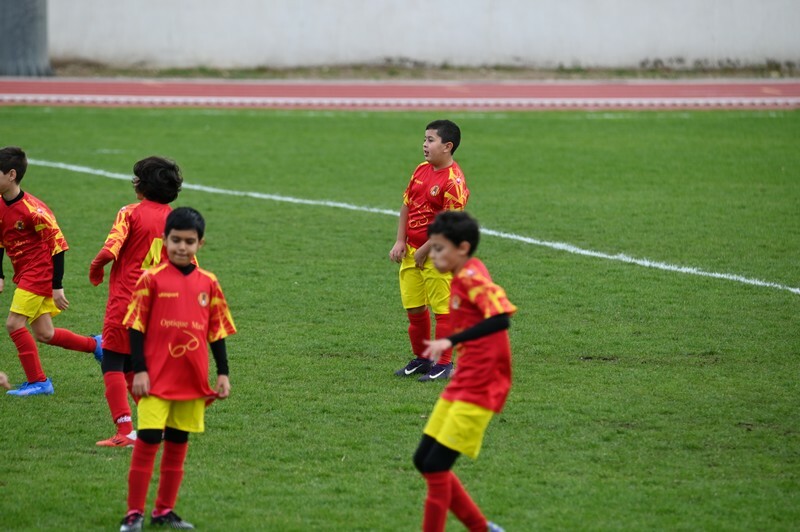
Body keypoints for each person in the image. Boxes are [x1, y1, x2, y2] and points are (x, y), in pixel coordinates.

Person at [118, 207, 236, 532]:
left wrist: (223, 373)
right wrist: (140, 371)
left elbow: (217, 331)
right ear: (164, 239)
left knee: (178, 441)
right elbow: (135, 327)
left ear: (200, 243)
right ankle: (133, 513)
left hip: (190, 380)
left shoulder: (208, 283)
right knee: (148, 439)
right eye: (176, 240)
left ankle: (164, 510)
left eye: (189, 241)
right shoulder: (150, 279)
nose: (182, 247)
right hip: (155, 379)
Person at [413, 211, 516, 532]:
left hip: (482, 386)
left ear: (463, 248)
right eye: (432, 247)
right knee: (423, 460)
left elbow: (501, 318)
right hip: (463, 382)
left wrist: (451, 340)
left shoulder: (472, 278)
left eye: (439, 248)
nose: (433, 255)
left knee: (435, 466)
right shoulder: (461, 275)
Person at [90, 156, 183, 448]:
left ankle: (125, 431)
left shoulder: (129, 212)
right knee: (132, 362)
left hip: (126, 301)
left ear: (142, 187)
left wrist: (95, 268)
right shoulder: (175, 220)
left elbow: (110, 250)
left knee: (112, 361)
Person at [0, 146, 102, 397]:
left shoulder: (35, 210)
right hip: (24, 272)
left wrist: (57, 286)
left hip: (39, 273)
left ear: (11, 175)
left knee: (14, 324)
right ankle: (97, 344)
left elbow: (59, 246)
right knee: (45, 334)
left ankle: (39, 382)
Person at [389, 120, 469, 382]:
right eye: (424, 139)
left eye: (430, 140)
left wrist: (425, 250)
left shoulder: (453, 182)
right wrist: (400, 241)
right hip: (412, 252)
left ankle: (444, 364)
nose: (424, 145)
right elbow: (406, 205)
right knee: (414, 308)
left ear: (447, 146)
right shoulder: (421, 169)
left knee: (442, 310)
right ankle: (423, 359)